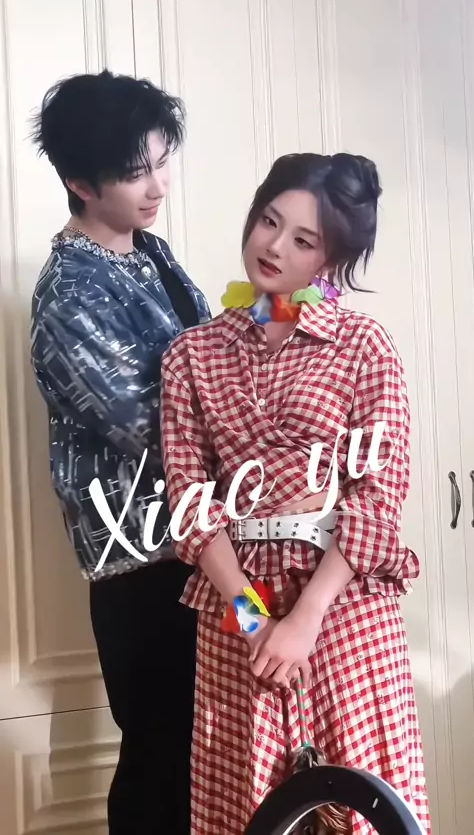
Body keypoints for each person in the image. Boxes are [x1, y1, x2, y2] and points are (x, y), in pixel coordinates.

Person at [160, 152, 431, 835]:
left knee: (361, 802)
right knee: (247, 808)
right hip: (237, 608)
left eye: (303, 239)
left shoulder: (364, 346)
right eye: (269, 220)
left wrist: (305, 618)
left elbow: (379, 495)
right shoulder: (192, 354)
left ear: (330, 257)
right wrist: (255, 621)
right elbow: (190, 500)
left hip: (344, 605)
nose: (275, 246)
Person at [29, 70, 210, 835]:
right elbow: (152, 430)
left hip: (213, 555)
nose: (158, 186)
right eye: (137, 172)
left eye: (162, 162)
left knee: (218, 750)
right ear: (80, 182)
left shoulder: (153, 253)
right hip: (144, 574)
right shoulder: (70, 291)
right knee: (163, 762)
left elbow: (211, 359)